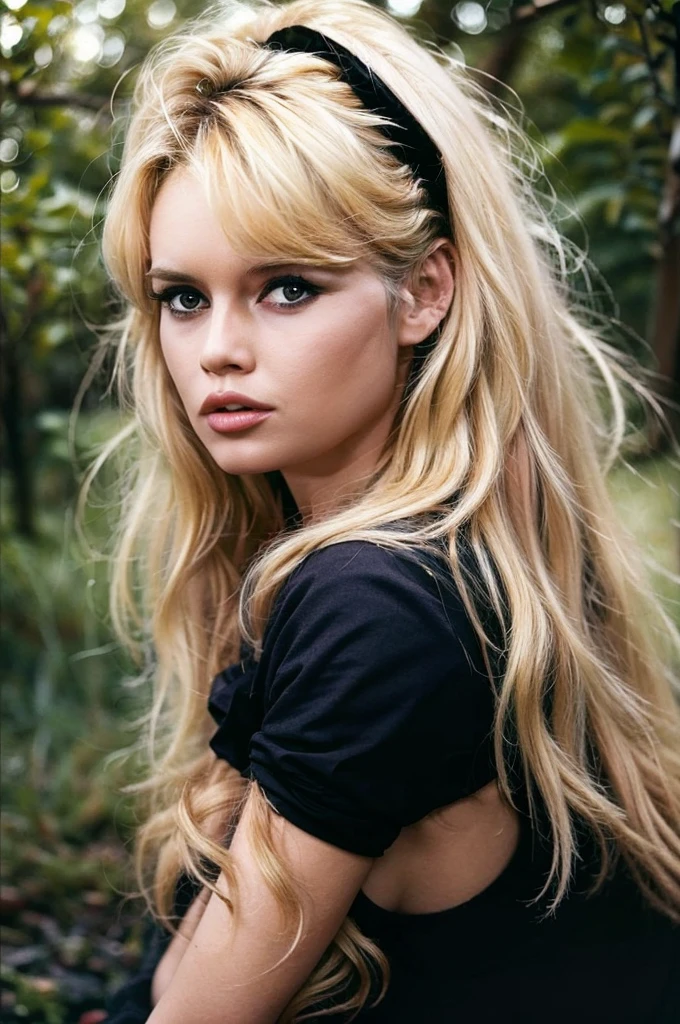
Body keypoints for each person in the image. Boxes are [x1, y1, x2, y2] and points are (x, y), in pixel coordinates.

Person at [96, 0, 680, 1021]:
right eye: (182, 296)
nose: (216, 350)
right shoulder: (456, 545)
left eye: (285, 287)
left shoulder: (379, 598)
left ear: (422, 292)